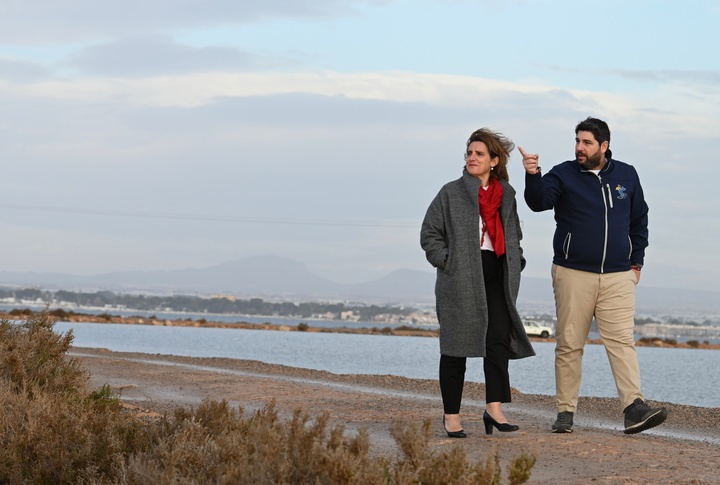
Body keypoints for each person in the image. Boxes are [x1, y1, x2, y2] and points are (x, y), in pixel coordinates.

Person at [519, 116, 668, 434]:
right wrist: (533, 175)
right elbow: (538, 202)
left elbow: (639, 218)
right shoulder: (563, 173)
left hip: (618, 275)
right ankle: (565, 412)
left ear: (604, 145)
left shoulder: (626, 175)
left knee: (622, 342)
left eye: (586, 142)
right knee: (569, 344)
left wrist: (636, 262)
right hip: (573, 273)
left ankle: (633, 408)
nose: (579, 148)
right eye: (577, 141)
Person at [421, 128, 535, 438]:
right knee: (455, 346)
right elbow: (429, 233)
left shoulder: (507, 195)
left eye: (479, 154)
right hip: (460, 275)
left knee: (497, 341)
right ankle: (451, 416)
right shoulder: (451, 192)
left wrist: (517, 261)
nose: (472, 157)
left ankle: (494, 408)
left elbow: (515, 235)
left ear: (494, 161)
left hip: (498, 272)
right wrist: (448, 260)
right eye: (469, 153)